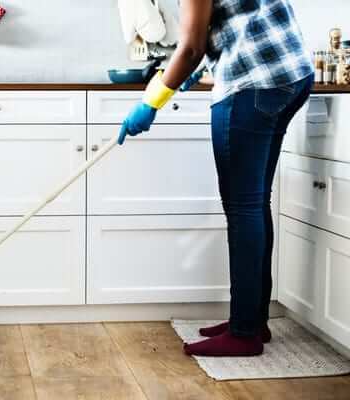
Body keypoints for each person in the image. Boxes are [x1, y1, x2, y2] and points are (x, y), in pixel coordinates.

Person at [119, 0, 314, 357]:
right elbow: (230, 22)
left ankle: (243, 334)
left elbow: (190, 46)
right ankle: (252, 320)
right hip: (291, 76)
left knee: (243, 209)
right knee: (255, 204)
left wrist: (152, 101)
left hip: (253, 84)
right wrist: (206, 60)